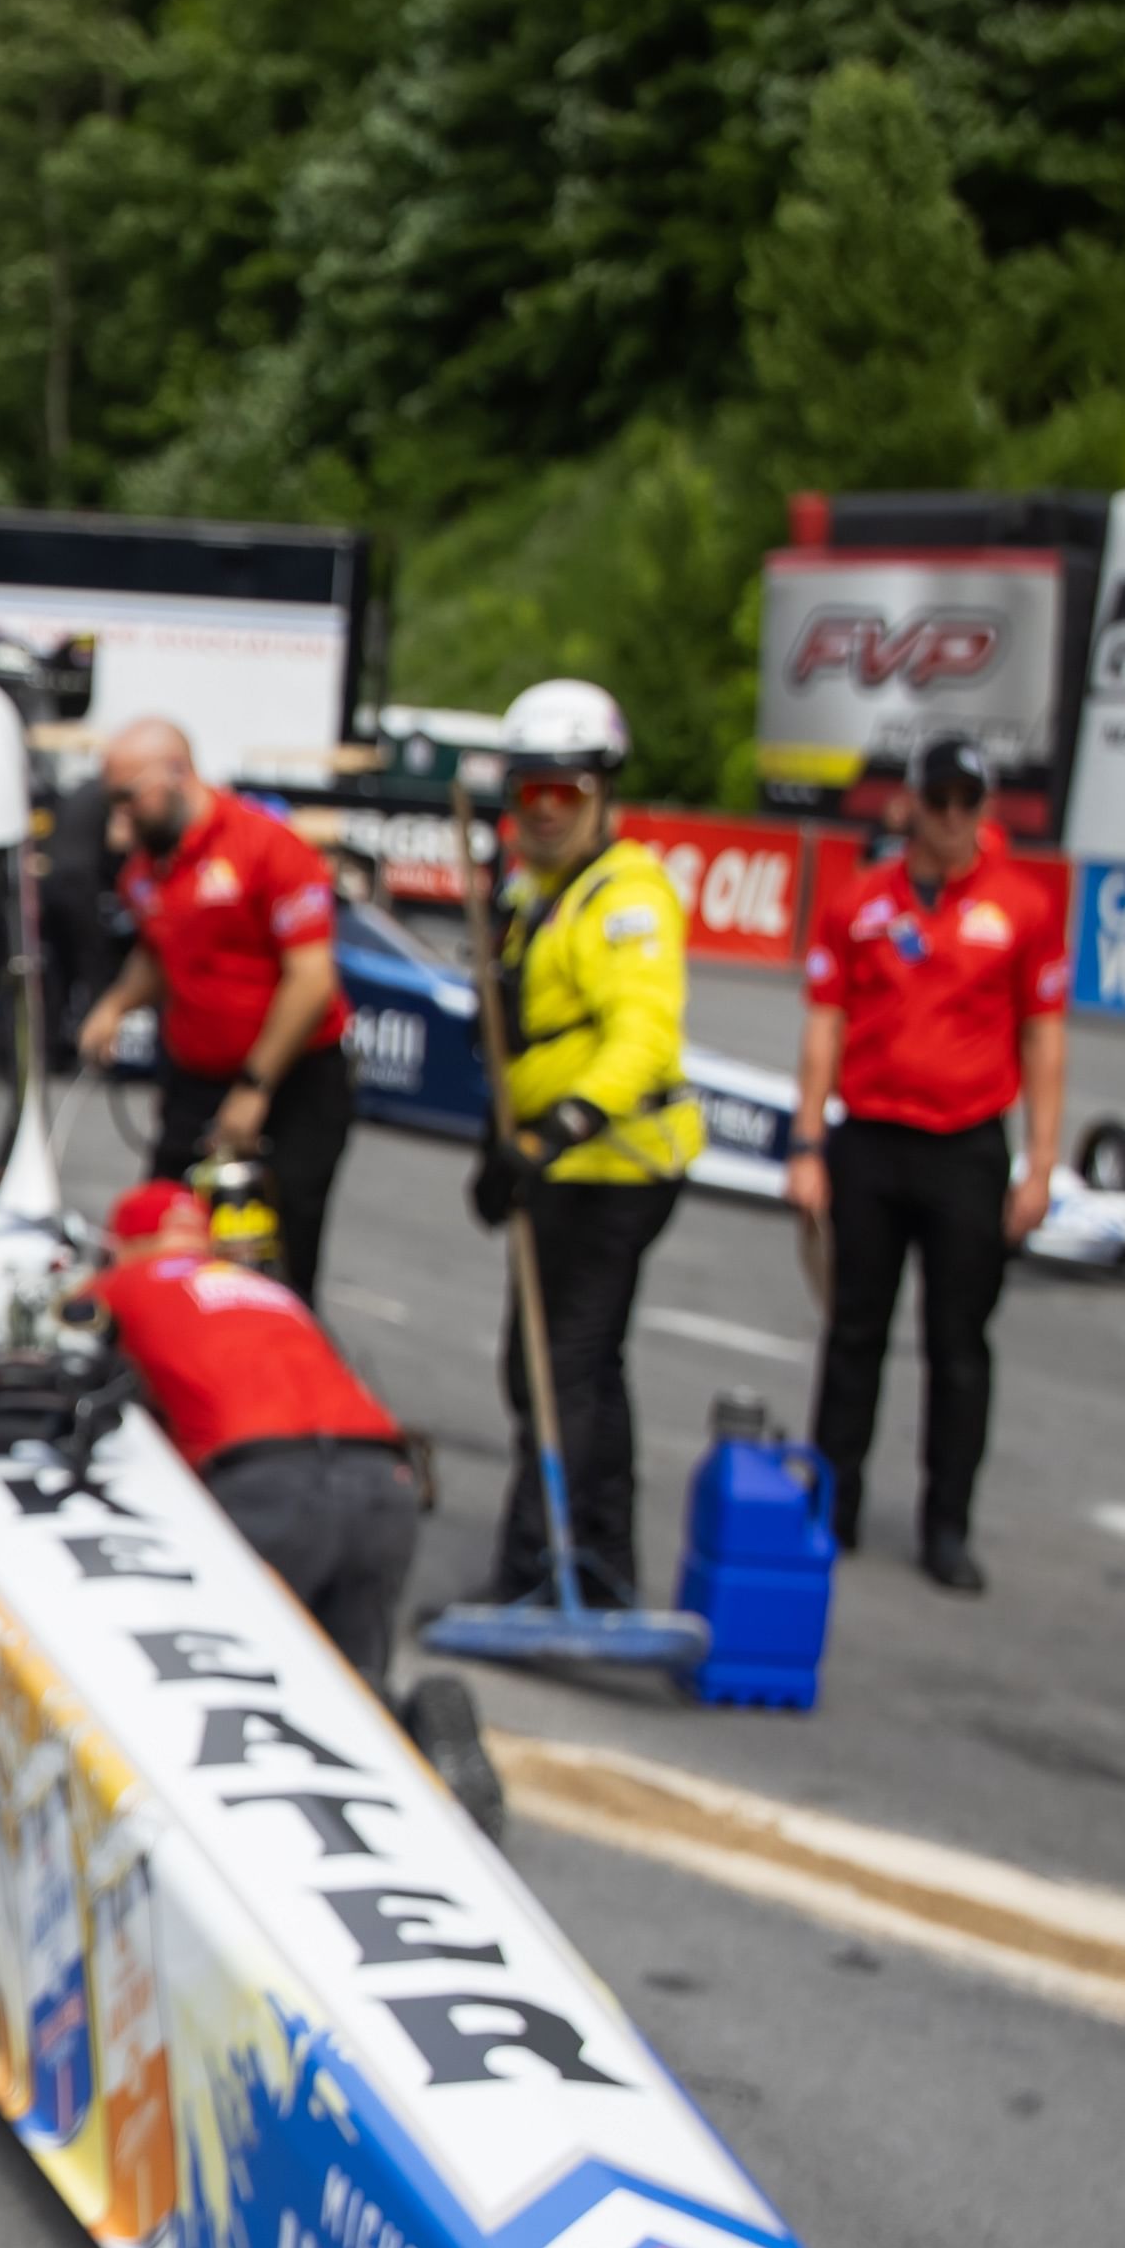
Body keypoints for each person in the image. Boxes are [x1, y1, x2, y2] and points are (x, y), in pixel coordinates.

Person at [789, 733, 1066, 1594]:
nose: (950, 818)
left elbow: (1043, 1035)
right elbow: (824, 1019)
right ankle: (831, 1504)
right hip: (869, 1135)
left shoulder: (1021, 906)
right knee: (852, 1333)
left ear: (983, 808)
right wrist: (806, 1142)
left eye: (966, 801)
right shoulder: (859, 901)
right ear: (908, 803)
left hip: (966, 1145)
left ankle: (946, 1523)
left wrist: (1042, 1163)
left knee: (958, 1345)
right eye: (936, 800)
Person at [459, 678, 700, 1612]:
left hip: (614, 1168)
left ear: (601, 794)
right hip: (554, 1167)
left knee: (557, 1372)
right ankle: (601, 1561)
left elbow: (642, 1039)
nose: (548, 811)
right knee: (574, 1368)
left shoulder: (625, 897)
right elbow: (513, 1041)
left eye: (566, 793)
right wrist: (499, 1149)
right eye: (531, 794)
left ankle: (535, 1574)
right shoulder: (530, 896)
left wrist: (561, 1126)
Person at [94, 1179, 421, 1684]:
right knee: (354, 1690)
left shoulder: (130, 1281)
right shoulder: (271, 1294)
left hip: (268, 1479)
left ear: (125, 1244)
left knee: (221, 1677)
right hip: (384, 1478)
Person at [71, 717, 352, 1295]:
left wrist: (255, 1087)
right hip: (195, 1078)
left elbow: (310, 979)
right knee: (162, 1219)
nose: (120, 820)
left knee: (279, 1243)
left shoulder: (266, 847)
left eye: (130, 799)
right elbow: (159, 948)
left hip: (292, 1080)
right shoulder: (147, 869)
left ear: (177, 775)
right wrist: (116, 1005)